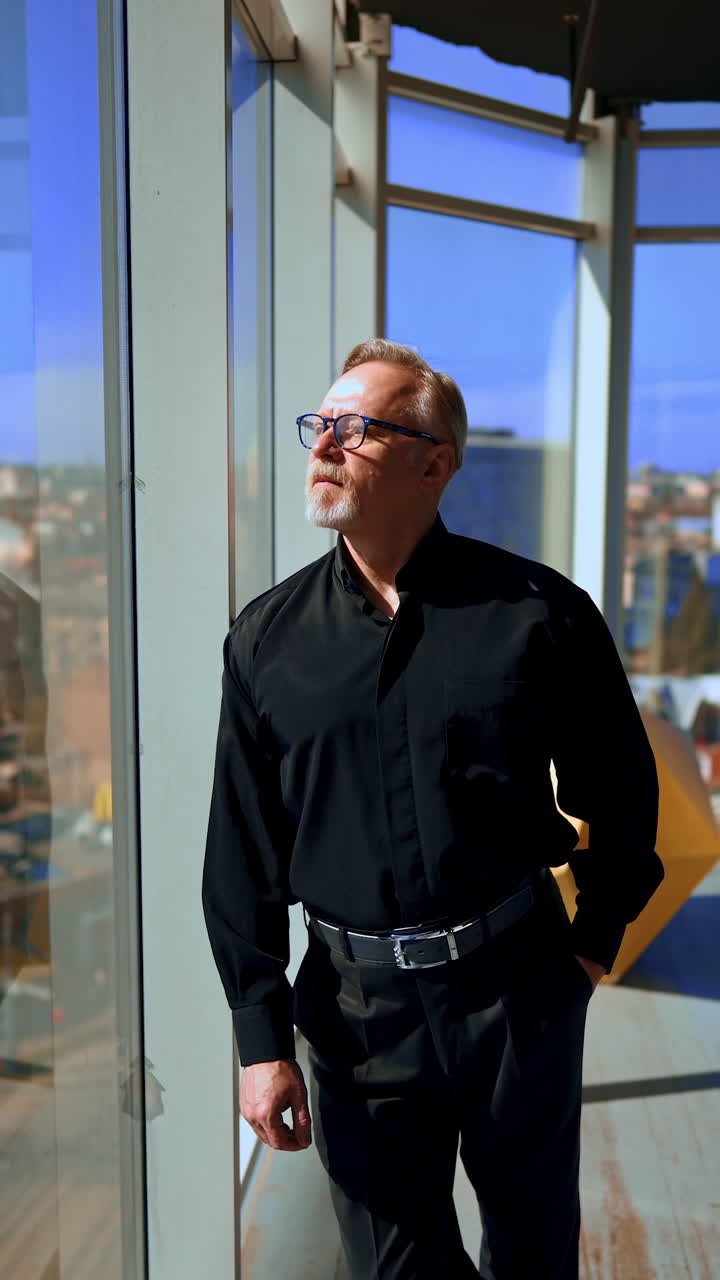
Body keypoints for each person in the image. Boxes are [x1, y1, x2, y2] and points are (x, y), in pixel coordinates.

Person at [202, 339, 663, 1279]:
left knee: (534, 1258)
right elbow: (240, 854)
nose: (324, 444)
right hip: (354, 1015)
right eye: (319, 424)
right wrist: (260, 1042)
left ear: (434, 463)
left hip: (519, 989)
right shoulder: (264, 640)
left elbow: (622, 791)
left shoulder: (540, 613)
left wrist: (589, 947)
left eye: (355, 428)